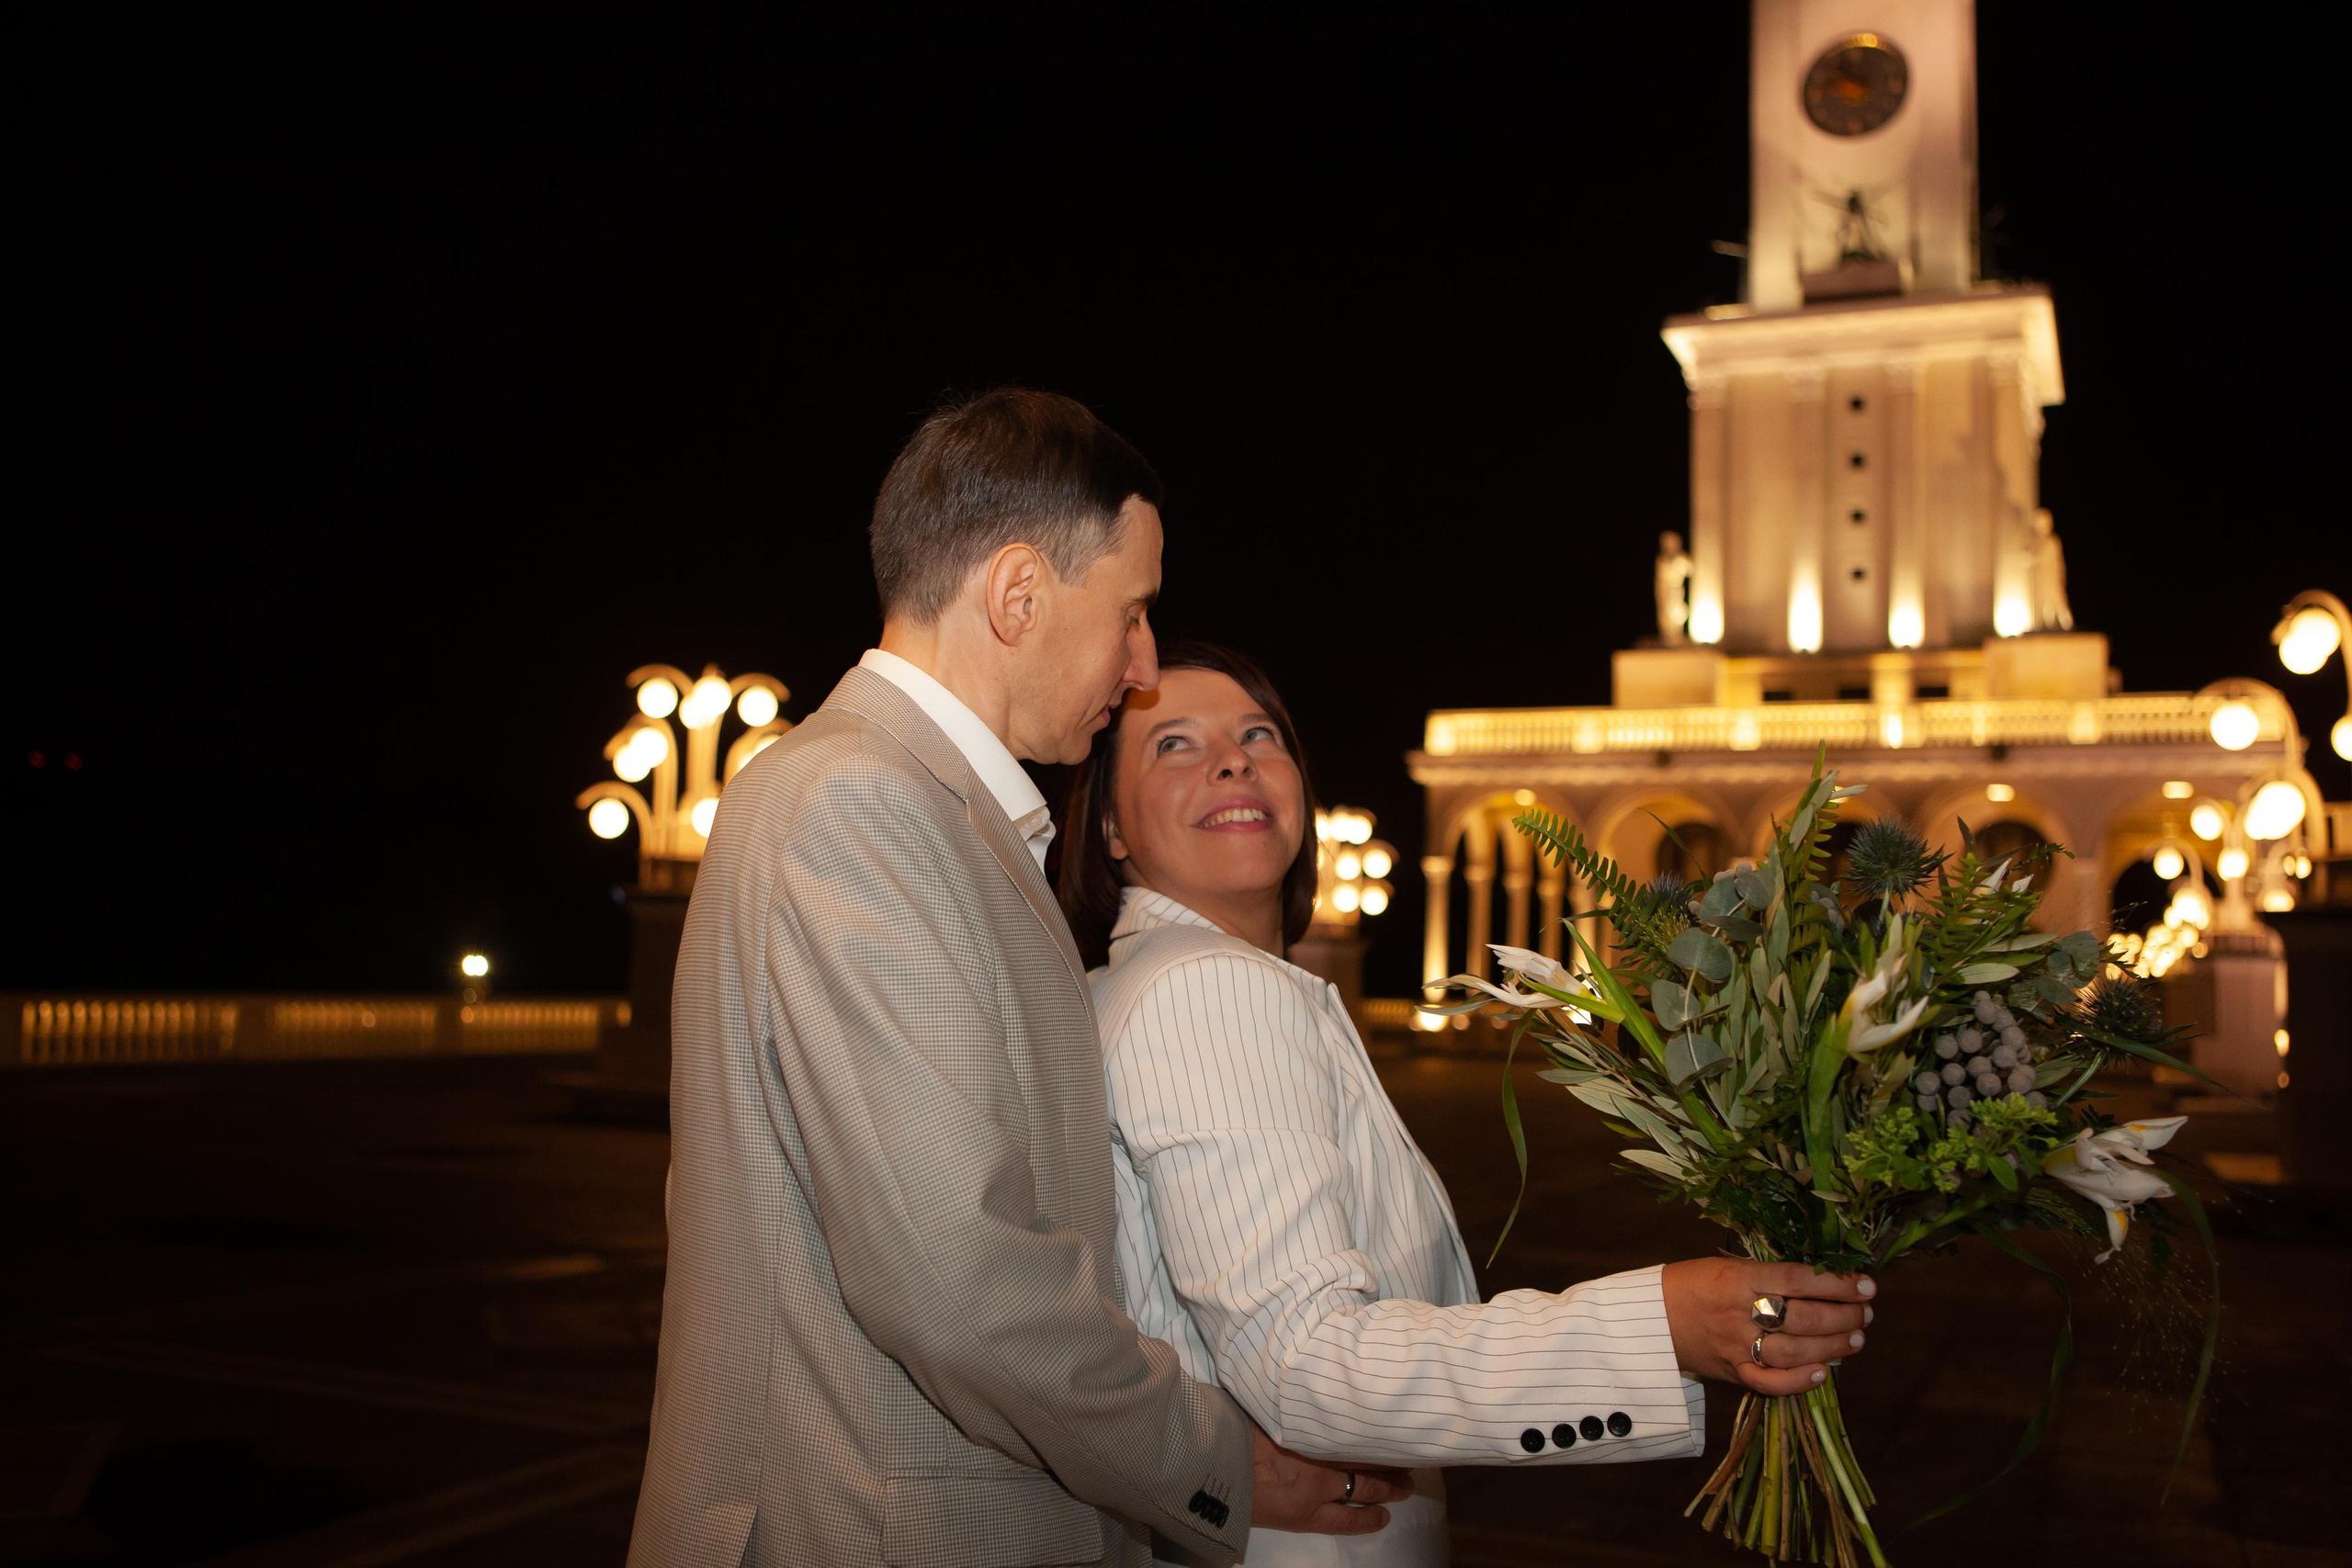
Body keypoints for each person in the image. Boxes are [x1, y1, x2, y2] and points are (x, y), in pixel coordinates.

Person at [628, 393, 1410, 1568]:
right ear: (1017, 595)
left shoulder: (942, 816)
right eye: (1134, 613)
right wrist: (1211, 1457)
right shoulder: (861, 803)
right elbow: (957, 1272)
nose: (1144, 667)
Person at [1059, 644, 1880, 1566]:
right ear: (1110, 831)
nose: (1233, 758)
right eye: (1173, 744)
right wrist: (1663, 1327)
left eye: (1259, 735)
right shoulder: (1206, 989)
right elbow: (1305, 1365)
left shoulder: (1135, 984)